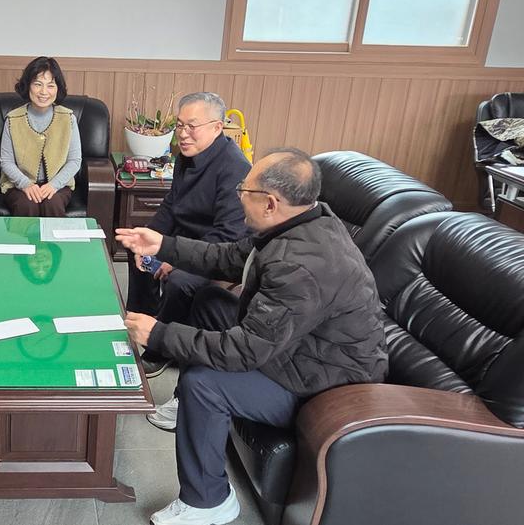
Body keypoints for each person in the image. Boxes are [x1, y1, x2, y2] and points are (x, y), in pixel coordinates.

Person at [115, 148, 387, 525]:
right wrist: (163, 245)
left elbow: (243, 352)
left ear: (271, 203)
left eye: (245, 189)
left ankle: (208, 501)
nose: (239, 194)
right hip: (297, 345)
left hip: (322, 382)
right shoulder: (302, 221)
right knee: (210, 302)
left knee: (203, 384)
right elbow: (228, 257)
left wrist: (158, 333)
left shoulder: (302, 266)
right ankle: (191, 413)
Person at [127, 92, 251, 380]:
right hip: (182, 242)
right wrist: (148, 239)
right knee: (140, 257)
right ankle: (141, 325)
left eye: (191, 126)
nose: (183, 134)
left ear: (217, 127)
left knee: (180, 282)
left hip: (216, 252)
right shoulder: (187, 154)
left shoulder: (235, 168)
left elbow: (228, 235)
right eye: (180, 125)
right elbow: (171, 206)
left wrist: (176, 257)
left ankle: (159, 349)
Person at [0, 56, 82, 217]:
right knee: (27, 204)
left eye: (50, 85)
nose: (44, 92)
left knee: (53, 203)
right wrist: (25, 184)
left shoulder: (68, 119)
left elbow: (74, 161)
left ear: (57, 89)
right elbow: (6, 161)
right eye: (38, 84)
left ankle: (54, 237)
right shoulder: (13, 119)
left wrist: (53, 185)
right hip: (18, 186)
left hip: (58, 185)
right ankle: (23, 236)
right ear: (28, 86)